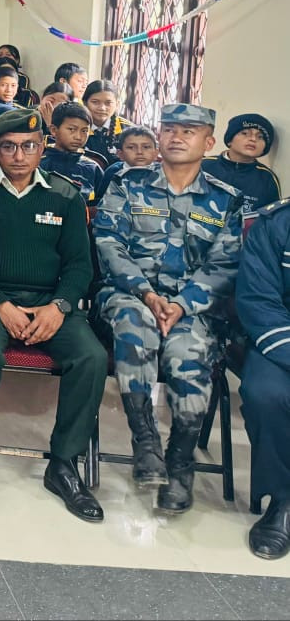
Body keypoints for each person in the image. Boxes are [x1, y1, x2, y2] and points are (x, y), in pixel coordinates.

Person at [0, 108, 106, 522]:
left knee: (91, 357)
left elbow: (80, 266)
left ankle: (64, 464)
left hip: (50, 301)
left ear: (43, 148)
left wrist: (60, 307)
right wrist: (1, 305)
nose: (19, 156)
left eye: (29, 146)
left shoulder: (66, 194)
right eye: (9, 147)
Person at [94, 103, 242, 515]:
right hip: (128, 296)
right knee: (135, 324)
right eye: (170, 129)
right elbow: (108, 242)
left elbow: (225, 266)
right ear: (159, 136)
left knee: (187, 353)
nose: (177, 137)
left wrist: (181, 304)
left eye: (189, 131)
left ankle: (179, 462)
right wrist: (145, 293)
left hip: (192, 309)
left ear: (209, 142)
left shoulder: (225, 200)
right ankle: (145, 442)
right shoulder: (127, 184)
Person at [235, 194, 290, 560]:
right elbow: (258, 299)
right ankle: (283, 500)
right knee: (265, 394)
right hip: (281, 339)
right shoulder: (275, 224)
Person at [202, 113, 279, 211]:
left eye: (260, 137)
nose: (253, 139)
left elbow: (273, 216)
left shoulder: (267, 178)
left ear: (264, 149)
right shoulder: (203, 165)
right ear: (230, 140)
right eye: (245, 133)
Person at [42, 102, 106, 202]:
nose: (78, 137)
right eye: (72, 129)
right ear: (54, 130)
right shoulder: (39, 164)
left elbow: (102, 203)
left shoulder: (93, 168)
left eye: (84, 131)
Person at [83, 81, 134, 162]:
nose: (102, 108)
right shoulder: (76, 127)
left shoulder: (129, 130)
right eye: (95, 102)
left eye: (108, 103)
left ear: (117, 104)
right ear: (85, 103)